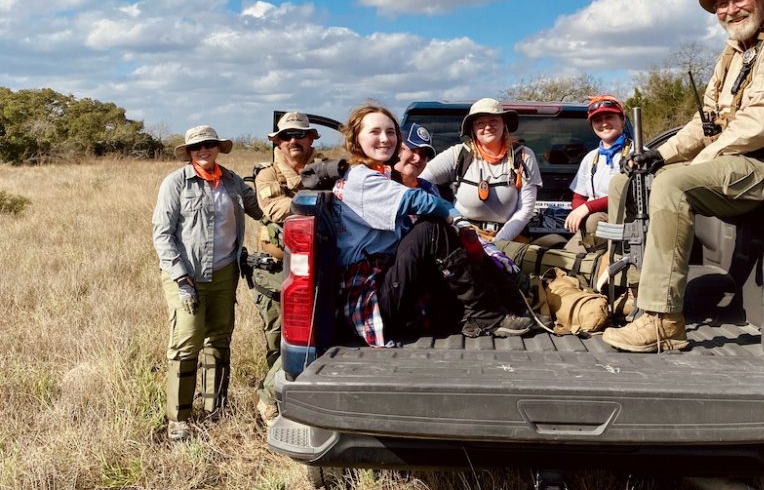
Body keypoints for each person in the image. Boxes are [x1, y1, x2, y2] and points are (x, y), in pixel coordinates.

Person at [602, 0, 764, 353]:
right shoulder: (733, 53)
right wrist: (658, 153)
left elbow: (761, 122)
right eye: (721, 3)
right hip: (735, 160)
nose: (730, 10)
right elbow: (705, 123)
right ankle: (631, 290)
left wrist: (697, 164)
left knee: (672, 183)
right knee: (629, 180)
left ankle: (663, 320)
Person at [330, 104, 532, 346]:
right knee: (432, 228)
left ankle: (510, 306)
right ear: (356, 138)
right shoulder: (362, 178)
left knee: (443, 234)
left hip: (394, 282)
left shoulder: (388, 177)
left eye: (391, 132)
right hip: (371, 296)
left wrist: (486, 251)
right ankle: (486, 314)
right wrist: (456, 218)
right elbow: (421, 203)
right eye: (375, 132)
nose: (385, 139)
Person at [153, 125, 263, 440]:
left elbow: (260, 210)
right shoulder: (175, 183)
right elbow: (162, 233)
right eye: (198, 147)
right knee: (187, 339)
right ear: (189, 152)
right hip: (185, 274)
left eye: (210, 145)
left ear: (218, 148)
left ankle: (217, 410)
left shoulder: (231, 181)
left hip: (225, 272)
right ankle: (179, 419)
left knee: (220, 337)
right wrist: (178, 274)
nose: (204, 150)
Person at [251, 111, 321, 424]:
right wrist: (315, 194)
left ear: (312, 138)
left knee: (309, 335)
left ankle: (279, 397)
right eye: (286, 136)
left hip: (320, 266)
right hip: (277, 269)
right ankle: (273, 397)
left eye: (300, 135)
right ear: (277, 141)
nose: (294, 141)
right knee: (277, 337)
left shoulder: (326, 167)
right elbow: (276, 209)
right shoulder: (267, 175)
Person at [422, 98, 542, 243]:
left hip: (509, 239)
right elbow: (421, 182)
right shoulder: (458, 154)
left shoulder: (523, 155)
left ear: (504, 124)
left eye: (493, 121)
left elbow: (526, 209)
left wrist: (499, 243)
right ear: (472, 128)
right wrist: (446, 213)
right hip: (463, 236)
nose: (488, 127)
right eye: (480, 123)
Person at [563, 95, 630, 254]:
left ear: (622, 120)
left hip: (626, 225)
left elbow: (628, 195)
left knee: (594, 221)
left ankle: (603, 264)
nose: (604, 123)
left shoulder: (637, 154)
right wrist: (580, 214)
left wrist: (588, 208)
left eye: (609, 117)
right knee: (564, 261)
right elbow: (579, 196)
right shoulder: (590, 158)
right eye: (597, 120)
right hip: (593, 225)